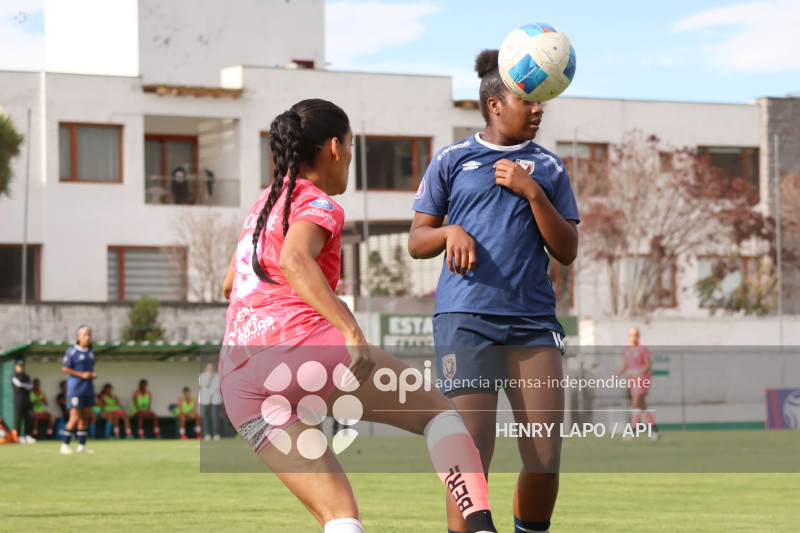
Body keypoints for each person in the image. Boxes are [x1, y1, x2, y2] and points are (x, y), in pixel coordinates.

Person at [219, 99, 497, 533]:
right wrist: (349, 328)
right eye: (351, 145)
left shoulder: (264, 205)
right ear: (334, 147)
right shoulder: (317, 202)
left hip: (239, 379)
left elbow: (229, 284)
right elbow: (293, 259)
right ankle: (482, 529)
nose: (351, 156)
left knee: (340, 515)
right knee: (440, 415)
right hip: (298, 350)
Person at [408, 50, 580, 533]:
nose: (538, 108)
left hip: (533, 322)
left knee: (545, 458)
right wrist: (449, 232)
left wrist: (532, 192)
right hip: (466, 319)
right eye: (527, 99)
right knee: (471, 456)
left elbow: (567, 249)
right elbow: (417, 241)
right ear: (494, 104)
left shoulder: (548, 167)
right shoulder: (451, 160)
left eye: (541, 100)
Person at [615, 327, 661, 441]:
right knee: (642, 406)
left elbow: (648, 365)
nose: (633, 338)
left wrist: (638, 374)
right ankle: (656, 430)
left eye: (635, 335)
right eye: (631, 335)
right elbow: (626, 364)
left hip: (641, 379)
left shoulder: (643, 348)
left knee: (635, 404)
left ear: (638, 336)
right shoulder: (627, 349)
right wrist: (617, 375)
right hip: (632, 380)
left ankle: (631, 432)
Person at [61, 325, 98, 454]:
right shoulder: (72, 351)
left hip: (88, 389)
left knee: (84, 418)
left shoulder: (90, 352)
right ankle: (65, 445)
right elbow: (65, 368)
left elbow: (91, 369)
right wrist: (81, 375)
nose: (87, 337)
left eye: (89, 335)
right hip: (75, 390)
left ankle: (81, 445)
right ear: (78, 337)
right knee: (75, 417)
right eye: (85, 335)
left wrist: (92, 375)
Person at [11, 360, 35, 443]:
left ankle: (28, 435)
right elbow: (19, 384)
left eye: (21, 366)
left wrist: (24, 385)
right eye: (19, 366)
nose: (20, 368)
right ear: (15, 367)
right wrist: (25, 385)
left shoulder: (26, 376)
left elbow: (31, 386)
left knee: (30, 417)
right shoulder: (14, 376)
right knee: (18, 418)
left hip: (27, 400)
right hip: (19, 400)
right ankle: (18, 436)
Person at [198, 363, 222, 441]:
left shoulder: (217, 375)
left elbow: (218, 386)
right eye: (209, 368)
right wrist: (210, 377)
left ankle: (216, 433)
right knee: (205, 417)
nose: (211, 369)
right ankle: (206, 434)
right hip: (205, 400)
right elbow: (204, 384)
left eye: (212, 367)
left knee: (215, 417)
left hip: (215, 400)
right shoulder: (203, 375)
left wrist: (211, 388)